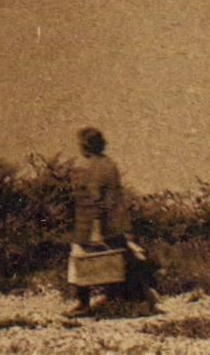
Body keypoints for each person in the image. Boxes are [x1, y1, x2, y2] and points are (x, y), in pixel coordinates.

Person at [67, 127, 156, 317]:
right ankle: (129, 301)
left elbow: (88, 197)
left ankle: (84, 304)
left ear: (85, 145)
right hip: (114, 221)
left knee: (80, 260)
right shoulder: (110, 165)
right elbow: (114, 197)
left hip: (90, 221)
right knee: (119, 259)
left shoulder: (82, 166)